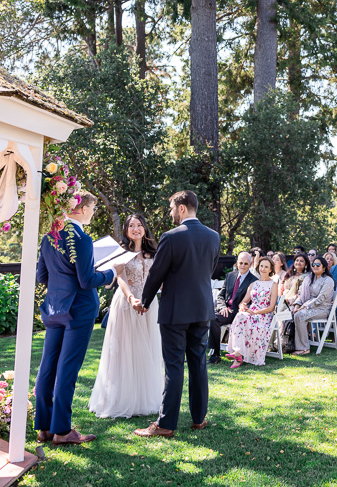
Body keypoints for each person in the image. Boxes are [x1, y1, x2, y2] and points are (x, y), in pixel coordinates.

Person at [34, 191, 128, 444]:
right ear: (83, 209)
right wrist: (111, 272)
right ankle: (62, 431)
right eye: (93, 209)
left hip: (55, 308)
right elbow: (87, 281)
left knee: (47, 368)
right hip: (79, 310)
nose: (93, 214)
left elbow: (42, 276)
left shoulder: (49, 236)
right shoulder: (82, 240)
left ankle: (44, 427)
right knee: (67, 370)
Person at [134, 190, 220, 437]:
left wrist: (146, 300)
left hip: (175, 312)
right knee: (198, 364)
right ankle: (199, 419)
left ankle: (166, 424)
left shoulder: (171, 237)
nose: (171, 213)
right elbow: (209, 271)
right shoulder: (214, 237)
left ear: (182, 208)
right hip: (202, 310)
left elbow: (156, 273)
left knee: (173, 366)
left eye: (172, 208)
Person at [89, 213, 164, 418]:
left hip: (150, 304)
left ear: (145, 228)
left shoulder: (154, 253)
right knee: (125, 349)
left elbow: (159, 278)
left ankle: (145, 398)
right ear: (126, 230)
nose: (136, 229)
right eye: (131, 225)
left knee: (147, 348)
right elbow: (120, 278)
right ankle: (121, 398)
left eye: (140, 225)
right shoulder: (121, 253)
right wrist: (131, 298)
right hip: (126, 302)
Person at [226, 257, 280, 368]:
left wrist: (255, 313)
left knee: (241, 317)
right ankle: (238, 353)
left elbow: (271, 307)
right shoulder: (253, 284)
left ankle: (237, 354)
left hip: (264, 315)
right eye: (261, 266)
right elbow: (244, 301)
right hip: (251, 314)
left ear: (270, 270)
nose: (263, 269)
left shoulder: (273, 285)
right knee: (240, 315)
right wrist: (242, 307)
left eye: (266, 267)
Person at [208, 252, 257, 364]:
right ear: (237, 263)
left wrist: (242, 309)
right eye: (241, 263)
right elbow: (221, 295)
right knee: (205, 315)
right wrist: (222, 307)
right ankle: (199, 350)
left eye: (245, 263)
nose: (243, 266)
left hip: (239, 313)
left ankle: (215, 355)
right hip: (225, 310)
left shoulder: (254, 280)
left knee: (214, 319)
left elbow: (252, 301)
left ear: (250, 264)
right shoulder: (230, 276)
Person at [290, 256, 336, 355]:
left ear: (324, 268)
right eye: (313, 264)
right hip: (307, 307)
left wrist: (305, 306)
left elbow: (320, 299)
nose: (315, 266)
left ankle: (304, 348)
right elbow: (301, 294)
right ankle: (287, 345)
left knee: (299, 315)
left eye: (318, 264)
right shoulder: (309, 278)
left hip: (322, 309)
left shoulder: (328, 280)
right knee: (290, 312)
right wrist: (297, 305)